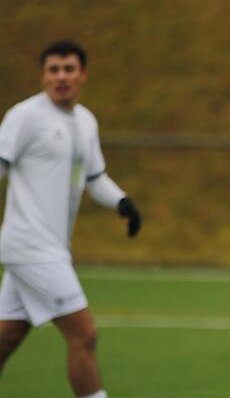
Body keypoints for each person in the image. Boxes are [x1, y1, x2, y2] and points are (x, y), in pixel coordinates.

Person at [0, 40, 141, 398]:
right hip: (29, 245)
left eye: (68, 69)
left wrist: (122, 202)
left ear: (82, 74)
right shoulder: (25, 116)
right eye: (53, 70)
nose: (60, 77)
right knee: (84, 334)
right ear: (43, 75)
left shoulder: (85, 121)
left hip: (49, 246)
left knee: (7, 337)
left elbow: (94, 177)